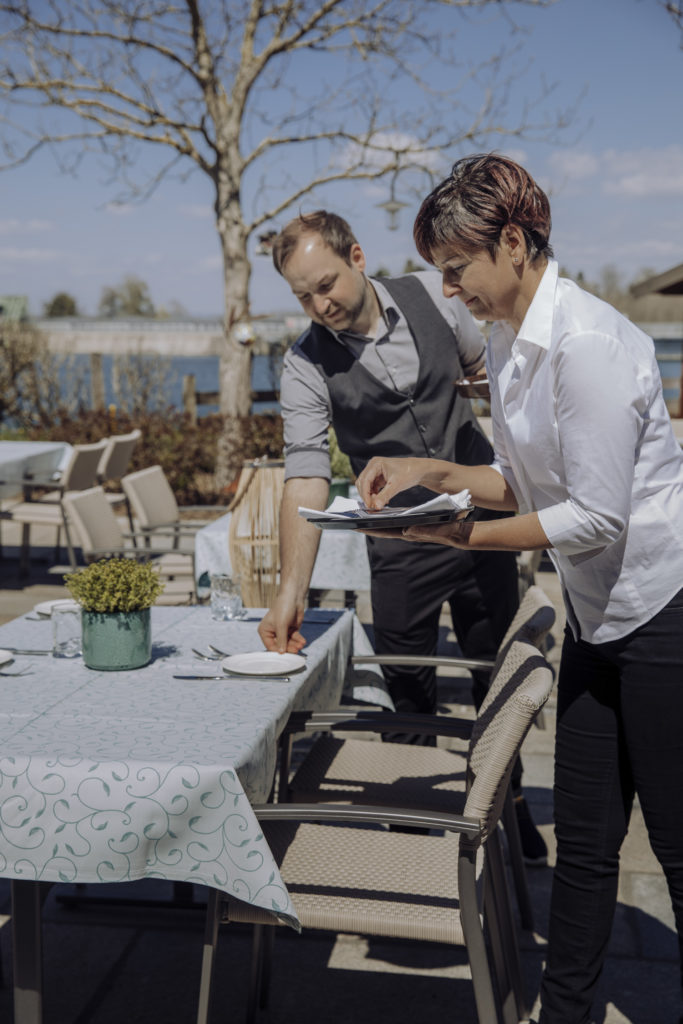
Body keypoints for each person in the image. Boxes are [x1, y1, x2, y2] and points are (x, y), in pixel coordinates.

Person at [355, 153, 683, 1024]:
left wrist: (457, 533)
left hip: (661, 614)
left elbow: (596, 518)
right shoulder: (507, 340)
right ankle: (563, 1013)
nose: (449, 288)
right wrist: (427, 470)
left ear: (511, 242)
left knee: (678, 850)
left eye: (455, 269)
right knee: (582, 843)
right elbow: (524, 480)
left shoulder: (588, 345)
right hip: (593, 612)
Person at [256, 208, 547, 861]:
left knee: (490, 671)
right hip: (398, 546)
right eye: (302, 294)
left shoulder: (434, 298)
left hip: (480, 519)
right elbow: (303, 479)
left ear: (356, 257)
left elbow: (486, 376)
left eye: (325, 284)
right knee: (406, 683)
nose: (318, 303)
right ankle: (415, 831)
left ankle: (512, 803)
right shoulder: (304, 363)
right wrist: (288, 591)